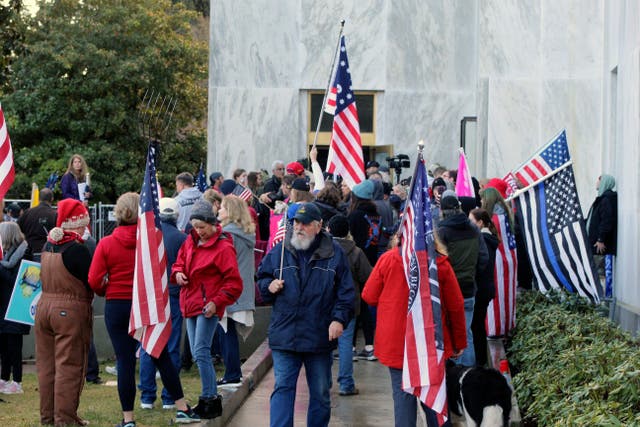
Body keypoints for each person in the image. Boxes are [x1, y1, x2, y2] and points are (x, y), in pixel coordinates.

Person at [88, 193, 200, 426]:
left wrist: (105, 289)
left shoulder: (107, 243)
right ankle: (181, 407)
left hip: (118, 304)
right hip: (146, 303)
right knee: (161, 354)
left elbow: (94, 279)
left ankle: (128, 419)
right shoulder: (152, 240)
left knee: (125, 361)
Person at [257, 202, 355, 427]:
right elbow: (261, 277)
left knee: (320, 392)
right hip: (285, 334)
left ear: (318, 226)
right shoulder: (280, 251)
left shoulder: (334, 254)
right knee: (283, 387)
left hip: (319, 335)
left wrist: (339, 319)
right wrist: (268, 285)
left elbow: (347, 293)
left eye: (305, 223)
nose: (299, 227)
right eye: (296, 223)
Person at [362, 233, 467, 427]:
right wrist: (459, 341)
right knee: (434, 402)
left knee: (403, 400)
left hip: (397, 344)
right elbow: (456, 305)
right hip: (430, 343)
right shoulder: (440, 264)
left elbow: (369, 295)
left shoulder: (388, 259)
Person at [171, 199, 243, 419]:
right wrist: (177, 274)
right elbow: (178, 263)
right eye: (195, 227)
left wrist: (217, 302)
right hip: (191, 302)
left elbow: (234, 283)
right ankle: (209, 397)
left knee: (201, 351)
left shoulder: (222, 247)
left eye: (202, 227)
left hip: (208, 305)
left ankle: (209, 398)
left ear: (212, 224)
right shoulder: (190, 242)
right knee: (196, 352)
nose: (199, 231)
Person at [35, 199, 93, 426]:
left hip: (44, 308)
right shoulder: (77, 250)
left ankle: (47, 416)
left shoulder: (48, 246)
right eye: (82, 224)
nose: (84, 229)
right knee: (69, 366)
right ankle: (65, 419)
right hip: (69, 310)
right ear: (75, 224)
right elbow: (91, 281)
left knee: (47, 366)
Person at [138, 197, 188, 410]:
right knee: (172, 346)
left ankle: (147, 396)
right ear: (176, 216)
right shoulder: (182, 238)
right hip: (174, 296)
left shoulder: (148, 236)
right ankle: (169, 396)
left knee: (149, 345)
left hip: (152, 296)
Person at [438, 190, 488, 367]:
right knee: (466, 333)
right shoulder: (474, 229)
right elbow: (483, 258)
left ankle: (454, 373)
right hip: (468, 289)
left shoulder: (441, 232)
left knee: (446, 333)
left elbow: (437, 263)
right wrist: (472, 274)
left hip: (447, 291)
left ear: (442, 210)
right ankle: (467, 373)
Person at [327, 214, 372, 396]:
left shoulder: (324, 250)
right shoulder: (356, 252)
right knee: (345, 345)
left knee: (325, 345)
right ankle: (346, 384)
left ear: (329, 229)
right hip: (349, 304)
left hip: (325, 303)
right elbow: (367, 276)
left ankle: (324, 383)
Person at [216, 195, 256, 388]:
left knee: (226, 331)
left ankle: (232, 373)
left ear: (230, 211)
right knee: (227, 330)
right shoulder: (245, 233)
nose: (218, 211)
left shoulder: (227, 235)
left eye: (222, 207)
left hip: (229, 289)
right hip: (242, 289)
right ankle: (233, 372)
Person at [347, 179, 380, 361]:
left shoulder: (354, 216)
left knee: (354, 305)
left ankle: (350, 346)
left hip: (355, 261)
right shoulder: (376, 215)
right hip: (372, 263)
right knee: (367, 305)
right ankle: (369, 346)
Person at [0, 222, 29, 395]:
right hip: (4, 306)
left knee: (14, 346)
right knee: (3, 345)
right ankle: (4, 378)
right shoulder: (7, 255)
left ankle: (17, 381)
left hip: (16, 307)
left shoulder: (24, 253)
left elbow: (17, 281)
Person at [468, 208, 499, 366]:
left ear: (480, 223)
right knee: (478, 325)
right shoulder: (488, 238)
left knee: (476, 326)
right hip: (485, 288)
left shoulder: (483, 239)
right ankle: (480, 359)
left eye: (472, 220)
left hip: (481, 288)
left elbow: (482, 265)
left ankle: (479, 361)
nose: (469, 223)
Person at [17, 188, 57, 262]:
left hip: (27, 252)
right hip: (46, 252)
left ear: (39, 198)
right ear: (52, 199)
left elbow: (17, 230)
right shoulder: (54, 214)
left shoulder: (27, 213)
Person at [586, 174, 618, 269]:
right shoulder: (602, 198)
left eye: (599, 179)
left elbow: (606, 221)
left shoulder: (606, 199)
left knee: (598, 274)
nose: (597, 182)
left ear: (605, 182)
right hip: (595, 244)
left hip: (600, 247)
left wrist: (601, 239)